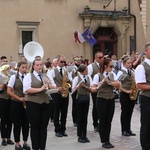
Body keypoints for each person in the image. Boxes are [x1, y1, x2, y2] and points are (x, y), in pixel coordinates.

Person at [23, 58, 56, 150]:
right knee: (35, 127)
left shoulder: (45, 75)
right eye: (37, 65)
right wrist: (40, 89)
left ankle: (42, 147)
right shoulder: (29, 76)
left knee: (43, 127)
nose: (39, 67)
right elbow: (26, 90)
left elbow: (54, 86)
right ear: (33, 66)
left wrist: (49, 84)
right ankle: (35, 148)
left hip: (46, 103)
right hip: (33, 103)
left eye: (41, 65)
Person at [92, 58, 120, 149]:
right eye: (111, 66)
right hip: (101, 99)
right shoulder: (98, 75)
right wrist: (99, 85)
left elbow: (118, 84)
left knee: (109, 121)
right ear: (105, 66)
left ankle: (108, 139)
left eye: (113, 66)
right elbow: (93, 88)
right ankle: (104, 141)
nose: (112, 68)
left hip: (110, 99)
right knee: (103, 120)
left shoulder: (112, 74)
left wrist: (110, 83)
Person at [7, 61, 30, 150]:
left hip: (26, 102)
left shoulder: (28, 76)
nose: (24, 69)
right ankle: (17, 143)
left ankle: (25, 142)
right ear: (18, 68)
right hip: (16, 103)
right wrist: (19, 98)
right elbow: (9, 91)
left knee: (26, 124)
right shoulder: (14, 77)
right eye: (22, 67)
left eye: (25, 67)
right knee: (17, 123)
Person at [47, 55, 70, 137]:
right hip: (56, 93)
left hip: (65, 93)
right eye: (61, 62)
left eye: (64, 62)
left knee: (64, 112)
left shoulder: (65, 70)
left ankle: (63, 129)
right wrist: (57, 87)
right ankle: (57, 130)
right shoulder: (52, 71)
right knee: (56, 112)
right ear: (57, 62)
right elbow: (50, 82)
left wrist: (68, 81)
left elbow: (70, 81)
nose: (63, 63)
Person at [135, 42, 150, 150]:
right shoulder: (141, 67)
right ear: (146, 52)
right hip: (147, 98)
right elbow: (139, 85)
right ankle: (145, 146)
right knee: (146, 124)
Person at [72, 64, 92, 143]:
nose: (87, 71)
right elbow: (73, 89)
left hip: (87, 98)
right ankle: (80, 135)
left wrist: (86, 87)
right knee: (80, 117)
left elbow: (91, 87)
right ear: (82, 71)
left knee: (85, 117)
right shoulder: (77, 78)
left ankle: (85, 135)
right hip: (79, 98)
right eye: (86, 70)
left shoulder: (88, 77)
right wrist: (77, 86)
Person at [117, 56, 136, 137]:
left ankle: (128, 128)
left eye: (130, 63)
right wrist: (126, 91)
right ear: (124, 64)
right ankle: (123, 129)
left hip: (131, 93)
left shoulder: (132, 72)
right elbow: (117, 84)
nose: (130, 64)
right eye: (128, 63)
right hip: (124, 93)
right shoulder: (121, 72)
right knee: (125, 112)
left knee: (130, 112)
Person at [87, 51, 104, 132]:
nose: (102, 59)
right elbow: (88, 76)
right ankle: (95, 124)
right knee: (96, 106)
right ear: (96, 58)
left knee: (102, 107)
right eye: (100, 57)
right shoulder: (91, 66)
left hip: (103, 89)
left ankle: (102, 122)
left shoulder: (104, 65)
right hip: (95, 89)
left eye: (102, 57)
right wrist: (92, 87)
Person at [0, 63, 14, 146]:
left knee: (10, 120)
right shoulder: (1, 77)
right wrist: (3, 83)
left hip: (10, 99)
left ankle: (8, 138)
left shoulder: (11, 76)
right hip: (3, 99)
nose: (8, 70)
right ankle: (3, 138)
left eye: (9, 69)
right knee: (3, 119)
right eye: (7, 69)